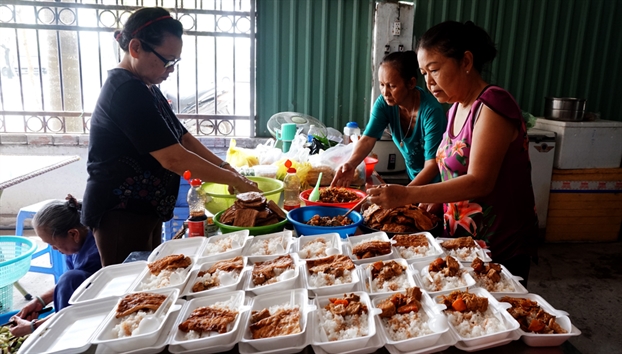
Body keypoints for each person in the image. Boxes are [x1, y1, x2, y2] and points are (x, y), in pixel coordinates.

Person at [82, 7, 259, 266]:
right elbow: (174, 158)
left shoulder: (146, 87)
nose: (171, 69)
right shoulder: (125, 91)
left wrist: (226, 167)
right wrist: (235, 180)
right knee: (132, 289)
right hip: (120, 213)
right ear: (135, 48)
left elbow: (183, 138)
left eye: (175, 61)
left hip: (144, 208)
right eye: (167, 60)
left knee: (151, 277)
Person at [368, 21, 538, 283]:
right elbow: (442, 165)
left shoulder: (492, 106)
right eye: (424, 73)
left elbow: (479, 181)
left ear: (466, 61)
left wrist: (406, 194)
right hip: (463, 243)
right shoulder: (456, 108)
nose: (429, 82)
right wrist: (431, 202)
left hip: (499, 245)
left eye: (434, 70)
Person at [331, 51, 446, 187]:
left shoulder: (431, 112)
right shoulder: (384, 103)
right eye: (382, 84)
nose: (385, 92)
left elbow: (432, 164)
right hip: (413, 180)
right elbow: (368, 139)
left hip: (438, 184)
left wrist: (405, 194)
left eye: (392, 86)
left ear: (411, 83)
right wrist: (351, 164)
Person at [9, 195, 101, 337]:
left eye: (53, 244)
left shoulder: (94, 256)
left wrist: (33, 327)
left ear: (73, 234)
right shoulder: (75, 247)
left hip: (93, 315)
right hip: (77, 309)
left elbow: (74, 310)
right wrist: (40, 301)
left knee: (69, 278)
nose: (53, 248)